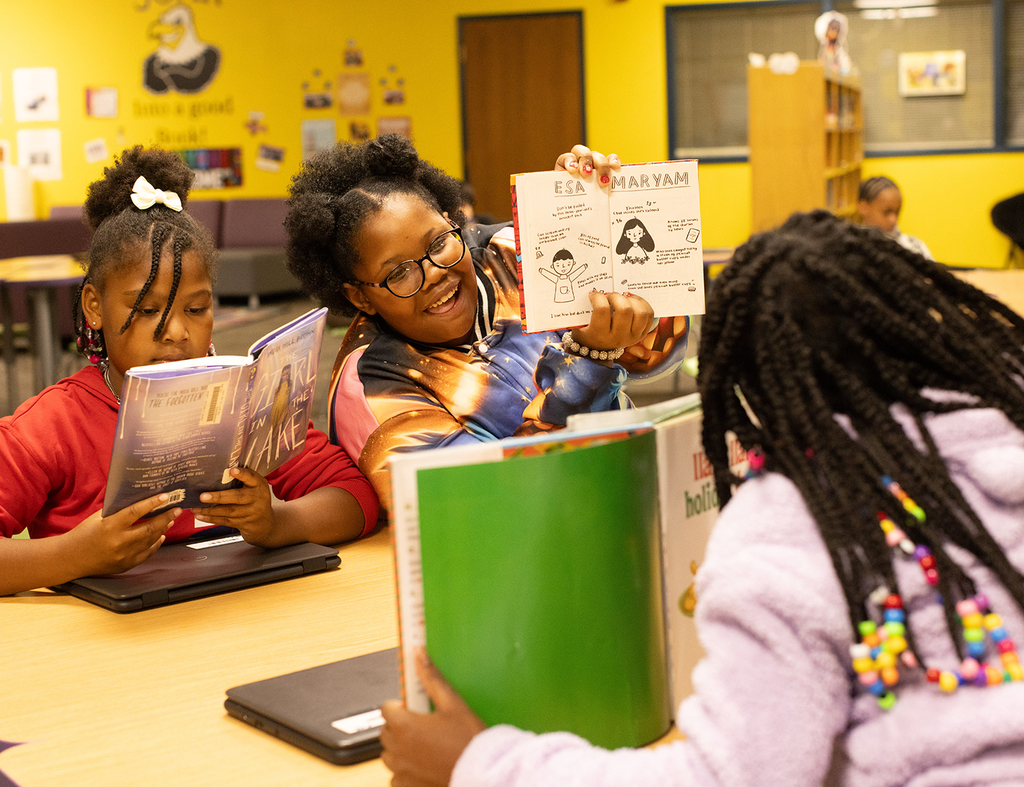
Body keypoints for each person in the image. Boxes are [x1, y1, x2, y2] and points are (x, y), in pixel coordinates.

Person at [378, 210, 1024, 787]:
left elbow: (724, 774)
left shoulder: (785, 532)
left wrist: (478, 763)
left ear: (739, 382)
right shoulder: (1004, 425)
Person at [0, 146, 379, 597]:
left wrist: (278, 521)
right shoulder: (54, 424)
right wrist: (74, 556)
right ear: (94, 307)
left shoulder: (248, 405)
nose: (176, 332)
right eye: (146, 309)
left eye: (196, 309)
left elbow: (356, 497)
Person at [284, 136, 688, 509]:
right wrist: (588, 363)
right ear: (359, 295)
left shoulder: (512, 254)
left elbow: (658, 353)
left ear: (450, 218)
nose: (435, 274)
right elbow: (482, 502)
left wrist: (591, 219)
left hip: (636, 493)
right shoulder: (372, 385)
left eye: (439, 242)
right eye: (399, 273)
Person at [857, 176, 935, 260]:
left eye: (897, 212)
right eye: (887, 212)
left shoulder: (913, 246)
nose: (893, 219)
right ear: (863, 208)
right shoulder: (853, 248)